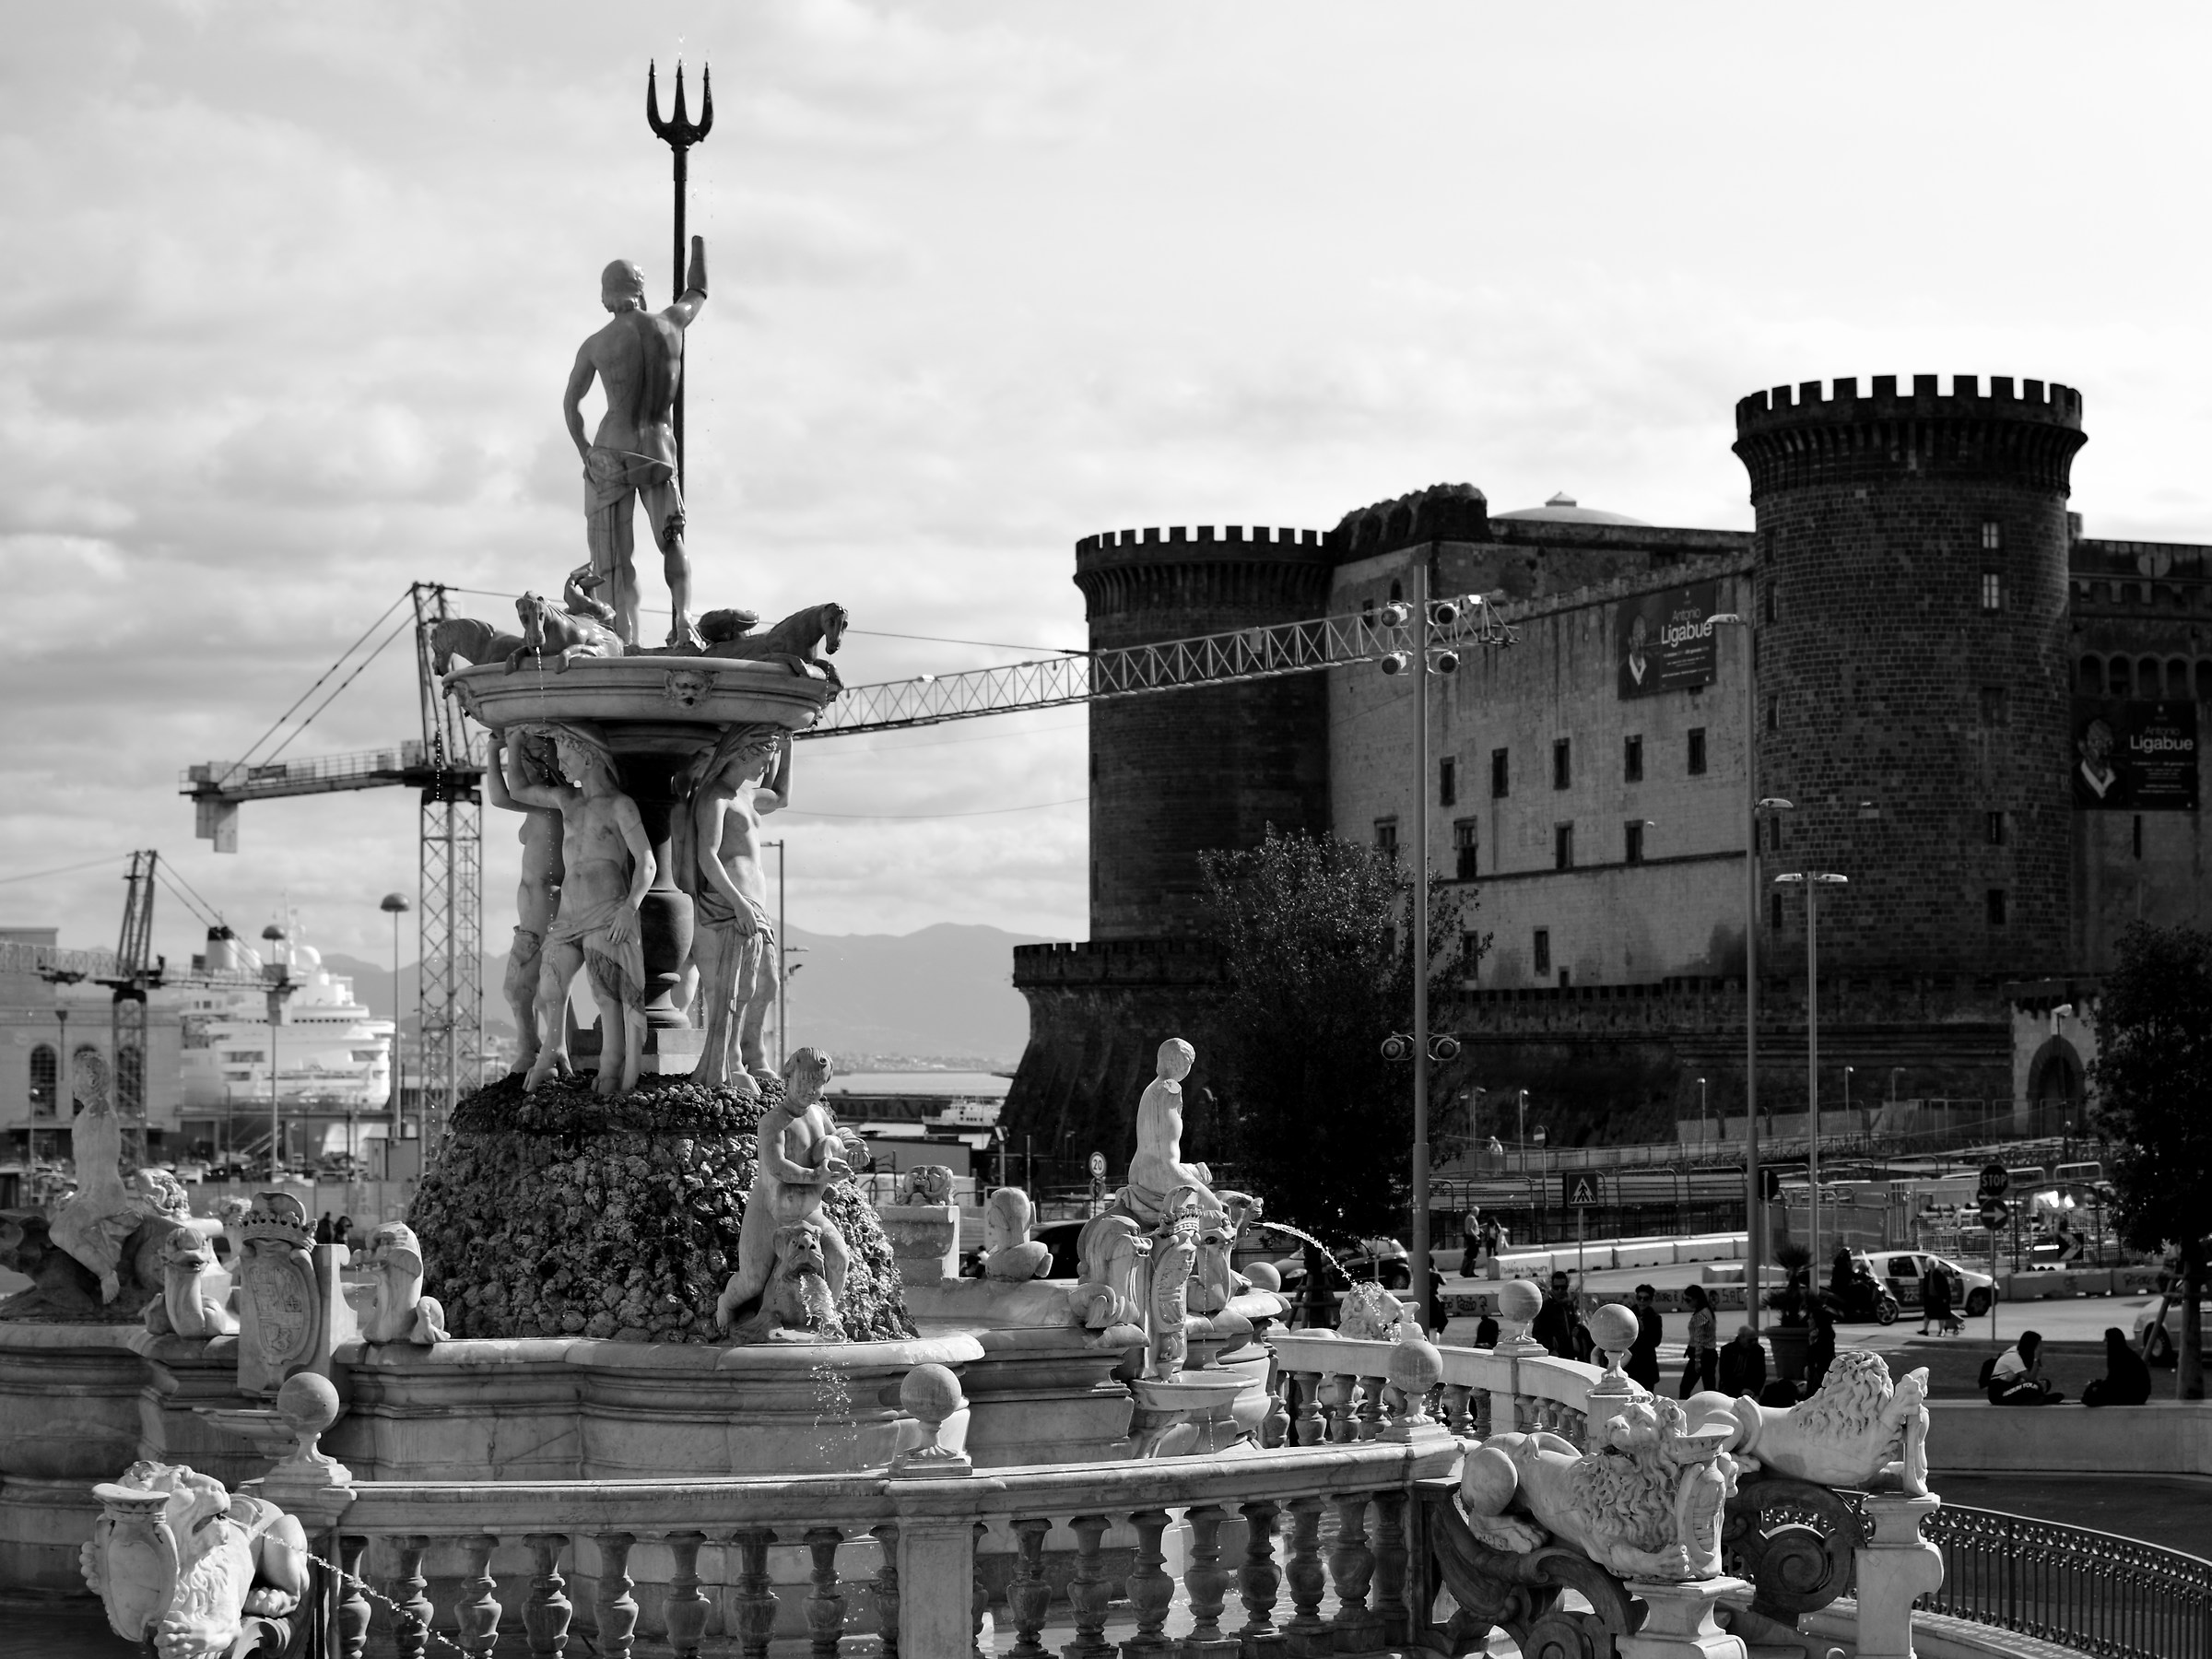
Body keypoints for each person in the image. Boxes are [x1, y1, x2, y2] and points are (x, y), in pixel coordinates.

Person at [563, 238, 712, 651]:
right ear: (640, 289)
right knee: (671, 539)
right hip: (658, 450)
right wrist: (698, 247)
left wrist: (585, 451)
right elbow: (698, 290)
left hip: (611, 452)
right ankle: (683, 619)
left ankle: (622, 637)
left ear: (606, 296)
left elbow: (571, 404)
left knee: (613, 557)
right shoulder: (671, 323)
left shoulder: (596, 344)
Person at [509, 723, 654, 1098]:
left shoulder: (620, 805)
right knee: (550, 984)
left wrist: (630, 908)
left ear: (588, 757)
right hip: (569, 914)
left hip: (606, 909)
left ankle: (612, 1065)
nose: (560, 765)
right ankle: (553, 1050)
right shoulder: (567, 801)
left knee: (606, 993)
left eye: (566, 757)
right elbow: (517, 790)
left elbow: (647, 862)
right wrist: (511, 745)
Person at [672, 723, 786, 1091]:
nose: (766, 768)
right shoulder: (715, 797)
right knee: (733, 987)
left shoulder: (747, 796)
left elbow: (781, 797)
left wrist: (787, 745)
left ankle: (752, 1052)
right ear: (742, 753)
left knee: (766, 984)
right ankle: (731, 1060)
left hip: (754, 906)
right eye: (764, 759)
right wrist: (737, 903)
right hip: (729, 903)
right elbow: (707, 856)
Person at [714, 1048, 852, 1328]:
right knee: (752, 1280)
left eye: (818, 1084)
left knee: (839, 1259)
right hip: (769, 1214)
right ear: (788, 1078)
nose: (810, 1090)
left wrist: (854, 1148)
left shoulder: (818, 1115)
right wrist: (817, 1175)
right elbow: (778, 1166)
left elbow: (839, 1136)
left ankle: (825, 1316)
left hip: (811, 1214)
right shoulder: (773, 1121)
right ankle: (725, 1305)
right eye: (804, 1082)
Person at [485, 731, 566, 1078]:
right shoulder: (545, 802)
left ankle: (530, 1049)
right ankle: (553, 1049)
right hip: (536, 905)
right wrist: (502, 749)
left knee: (519, 988)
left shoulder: (552, 801)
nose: (522, 766)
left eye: (529, 759)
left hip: (543, 905)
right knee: (545, 988)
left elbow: (503, 796)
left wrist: (504, 747)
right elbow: (504, 796)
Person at [1987, 1330, 2065, 1405]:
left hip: (2010, 1388)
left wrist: (2040, 1383)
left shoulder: (2022, 1355)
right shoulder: (2013, 1357)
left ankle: (2037, 1399)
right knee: (2032, 1386)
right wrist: (2036, 1358)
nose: (2041, 1348)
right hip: (1998, 1394)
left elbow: (2029, 1378)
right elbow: (2030, 1378)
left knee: (2042, 1384)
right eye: (2039, 1345)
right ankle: (2040, 1399)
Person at [2082, 1325, 2152, 1407]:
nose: (2104, 1342)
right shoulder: (2127, 1354)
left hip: (2133, 1395)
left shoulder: (2119, 1357)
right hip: (2139, 1395)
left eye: (2106, 1340)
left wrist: (2096, 1384)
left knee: (2090, 1397)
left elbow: (2114, 1382)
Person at [1679, 1284, 1718, 1397]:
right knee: (1709, 1388)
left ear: (1697, 1299)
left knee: (1685, 1387)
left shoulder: (1701, 1315)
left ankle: (1685, 1407)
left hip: (1703, 1355)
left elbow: (1699, 1339)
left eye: (1688, 1300)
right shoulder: (1707, 1311)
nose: (1686, 1303)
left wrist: (1697, 1360)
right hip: (1708, 1353)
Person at [1532, 1270, 1581, 1359]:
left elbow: (1574, 1327)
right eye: (1556, 1287)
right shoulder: (1545, 1307)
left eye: (1563, 1287)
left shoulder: (1570, 1305)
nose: (1560, 1290)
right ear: (1552, 1287)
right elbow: (1537, 1333)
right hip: (1554, 1356)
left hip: (1570, 1355)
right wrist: (1550, 1349)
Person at [1626, 1284, 1664, 1391]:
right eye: (1639, 1298)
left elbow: (1656, 1341)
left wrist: (1642, 1330)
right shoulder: (1627, 1314)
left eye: (1645, 1298)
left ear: (1651, 1300)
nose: (1642, 1301)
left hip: (1647, 1364)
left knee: (1647, 1396)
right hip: (1630, 1363)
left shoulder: (1655, 1318)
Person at [1718, 1324, 1767, 1400]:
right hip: (1730, 1388)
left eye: (1755, 1340)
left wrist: (1754, 1391)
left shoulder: (1758, 1351)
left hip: (1750, 1388)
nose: (1754, 1343)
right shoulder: (1727, 1350)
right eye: (1750, 1340)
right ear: (1741, 1338)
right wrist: (1740, 1390)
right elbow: (1725, 1375)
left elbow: (1761, 1375)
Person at [1806, 1292, 1837, 1389]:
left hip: (1821, 1383)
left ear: (1817, 1321)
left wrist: (1811, 1344)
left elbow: (1815, 1361)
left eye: (1811, 1318)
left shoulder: (1824, 1341)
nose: (1808, 1321)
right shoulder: (1820, 1338)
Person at [1920, 1263, 1955, 1336]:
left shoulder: (1939, 1274)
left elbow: (1945, 1287)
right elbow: (1925, 1287)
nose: (1931, 1266)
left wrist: (1945, 1298)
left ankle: (1941, 1331)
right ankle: (1925, 1330)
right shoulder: (1928, 1274)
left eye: (1933, 1264)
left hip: (1939, 1298)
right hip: (1930, 1297)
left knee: (1941, 1316)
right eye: (1930, 1264)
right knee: (1927, 1314)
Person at [1459, 1209, 1481, 1277]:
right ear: (1475, 1212)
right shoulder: (1472, 1218)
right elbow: (1470, 1229)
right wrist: (1476, 1236)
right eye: (1477, 1212)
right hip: (1472, 1238)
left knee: (1469, 1255)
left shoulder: (1468, 1217)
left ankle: (1466, 1271)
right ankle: (1469, 1272)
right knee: (1472, 1256)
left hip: (1469, 1238)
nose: (1478, 1214)